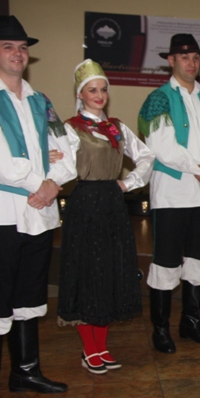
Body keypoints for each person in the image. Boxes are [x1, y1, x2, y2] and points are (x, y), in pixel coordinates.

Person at [0, 15, 77, 398]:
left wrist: (53, 184)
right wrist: (41, 182)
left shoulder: (41, 101)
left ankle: (25, 372)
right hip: (3, 213)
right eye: (8, 47)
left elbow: (67, 149)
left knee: (29, 295)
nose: (17, 54)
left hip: (40, 214)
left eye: (22, 48)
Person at [137, 33, 200, 354]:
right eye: (184, 57)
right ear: (171, 60)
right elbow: (162, 147)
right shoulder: (159, 99)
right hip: (174, 194)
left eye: (195, 57)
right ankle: (160, 328)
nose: (191, 63)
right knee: (166, 263)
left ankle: (191, 322)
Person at [58, 59, 154, 374]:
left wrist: (128, 183)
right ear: (80, 94)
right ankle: (89, 349)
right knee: (88, 273)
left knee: (109, 272)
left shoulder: (116, 127)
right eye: (92, 90)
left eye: (103, 89)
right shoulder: (71, 128)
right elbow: (58, 165)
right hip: (85, 203)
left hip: (112, 203)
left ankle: (102, 346)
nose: (99, 96)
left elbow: (146, 156)